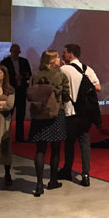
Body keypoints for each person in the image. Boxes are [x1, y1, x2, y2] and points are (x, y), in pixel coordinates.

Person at [59, 44, 101, 187]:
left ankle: (67, 170)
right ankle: (85, 174)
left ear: (70, 54)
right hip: (85, 112)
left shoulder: (63, 69)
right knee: (84, 143)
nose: (62, 54)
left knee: (69, 143)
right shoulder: (87, 69)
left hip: (70, 111)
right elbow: (98, 88)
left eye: (64, 52)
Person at [28, 50, 70, 196]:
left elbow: (30, 94)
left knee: (40, 150)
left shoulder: (36, 76)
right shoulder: (60, 75)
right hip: (55, 114)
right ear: (52, 60)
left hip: (39, 115)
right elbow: (66, 95)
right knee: (55, 149)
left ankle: (39, 184)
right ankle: (52, 181)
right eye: (57, 57)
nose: (60, 59)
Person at [1, 43, 32, 142]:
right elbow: (3, 76)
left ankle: (20, 137)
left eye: (18, 52)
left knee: (20, 115)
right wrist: (13, 78)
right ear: (11, 51)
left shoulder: (24, 61)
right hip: (10, 91)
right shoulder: (5, 62)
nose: (16, 54)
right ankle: (5, 136)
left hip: (21, 91)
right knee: (8, 114)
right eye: (15, 51)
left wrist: (21, 77)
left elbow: (29, 74)